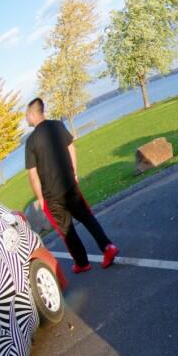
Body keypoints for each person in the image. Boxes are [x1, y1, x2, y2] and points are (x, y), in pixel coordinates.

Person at [25, 98, 118, 273]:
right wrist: (74, 172)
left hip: (52, 196)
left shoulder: (31, 142)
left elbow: (33, 175)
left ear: (32, 114)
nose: (26, 120)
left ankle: (82, 263)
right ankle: (108, 247)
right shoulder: (58, 126)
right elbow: (71, 148)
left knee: (67, 230)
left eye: (26, 116)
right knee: (87, 218)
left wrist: (40, 199)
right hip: (69, 185)